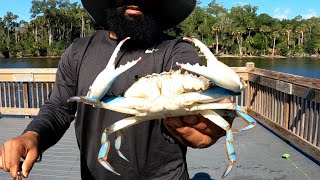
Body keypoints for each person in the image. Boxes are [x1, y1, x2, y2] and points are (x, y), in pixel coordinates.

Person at [0, 0, 234, 179]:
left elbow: (210, 98)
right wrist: (33, 134)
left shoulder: (177, 51)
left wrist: (214, 120)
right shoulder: (79, 51)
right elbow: (59, 107)